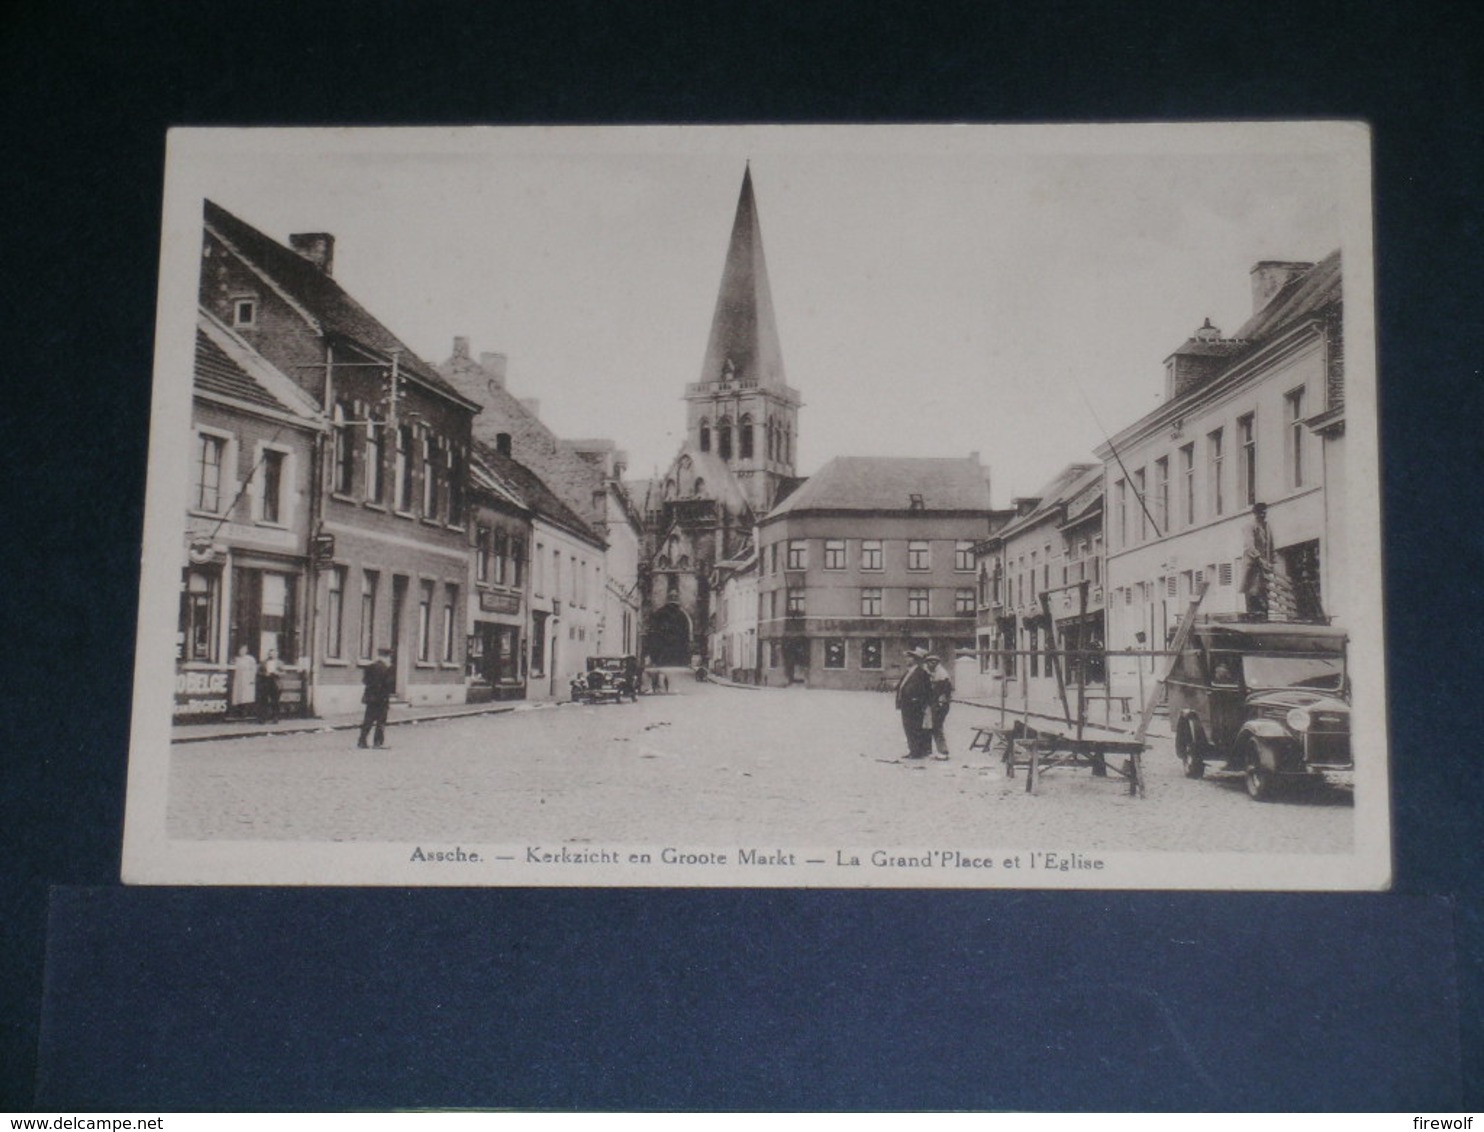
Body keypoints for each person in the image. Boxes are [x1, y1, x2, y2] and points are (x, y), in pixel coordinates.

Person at [893, 647, 933, 759]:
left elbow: (925, 689)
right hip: (906, 705)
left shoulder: (921, 673)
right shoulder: (909, 672)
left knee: (914, 728)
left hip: (914, 706)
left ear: (915, 659)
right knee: (908, 728)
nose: (907, 660)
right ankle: (913, 750)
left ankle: (917, 752)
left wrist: (917, 700)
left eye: (909, 657)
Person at [1239, 502, 1274, 620]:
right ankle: (1253, 614)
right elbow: (1249, 546)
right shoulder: (1249, 526)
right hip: (1252, 564)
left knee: (1263, 590)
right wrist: (1259, 558)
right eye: (1260, 513)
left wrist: (1271, 561)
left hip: (1263, 565)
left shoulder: (1267, 526)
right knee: (1252, 590)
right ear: (1255, 514)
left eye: (1265, 513)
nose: (1263, 515)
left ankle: (1263, 614)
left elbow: (1270, 546)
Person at [358, 647, 396, 749]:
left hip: (370, 698)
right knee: (381, 721)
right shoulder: (387, 669)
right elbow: (388, 685)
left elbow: (365, 681)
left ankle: (362, 741)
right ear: (387, 657)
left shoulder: (370, 667)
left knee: (368, 720)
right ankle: (378, 742)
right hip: (381, 700)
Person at [924, 654, 954, 760]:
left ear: (936, 663)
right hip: (935, 704)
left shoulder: (941, 675)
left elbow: (940, 692)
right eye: (928, 662)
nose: (929, 664)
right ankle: (930, 750)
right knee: (931, 726)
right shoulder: (933, 673)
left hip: (940, 704)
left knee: (937, 726)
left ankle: (943, 750)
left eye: (932, 662)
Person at [231, 644, 258, 719]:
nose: (242, 651)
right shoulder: (237, 659)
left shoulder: (250, 659)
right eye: (240, 650)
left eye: (244, 650)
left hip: (247, 678)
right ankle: (238, 712)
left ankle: (245, 713)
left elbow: (254, 669)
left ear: (246, 651)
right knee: (238, 696)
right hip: (238, 678)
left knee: (246, 696)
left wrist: (252, 679)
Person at [257, 649, 283, 724]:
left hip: (275, 682)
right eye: (270, 654)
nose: (272, 655)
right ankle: (262, 718)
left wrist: (277, 673)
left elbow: (283, 672)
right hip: (266, 682)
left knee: (275, 701)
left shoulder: (279, 663)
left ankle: (275, 717)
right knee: (264, 700)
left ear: (277, 655)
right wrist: (264, 674)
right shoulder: (263, 662)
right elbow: (258, 672)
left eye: (274, 654)